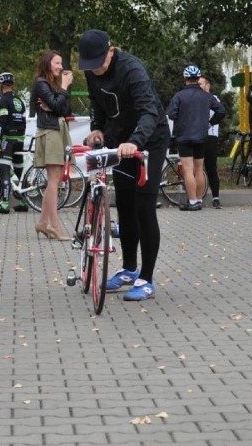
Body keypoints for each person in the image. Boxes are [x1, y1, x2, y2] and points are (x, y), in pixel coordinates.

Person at [78, 29, 170, 301]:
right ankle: (129, 269)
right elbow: (97, 103)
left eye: (100, 64)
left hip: (150, 139)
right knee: (125, 206)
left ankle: (146, 278)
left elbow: (149, 111)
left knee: (143, 206)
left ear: (111, 50)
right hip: (120, 141)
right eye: (90, 66)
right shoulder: (91, 69)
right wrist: (97, 129)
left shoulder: (133, 70)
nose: (95, 70)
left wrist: (136, 142)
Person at [166, 65, 225, 211]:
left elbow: (171, 114)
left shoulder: (179, 96)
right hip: (202, 136)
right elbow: (221, 111)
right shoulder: (207, 96)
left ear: (185, 79)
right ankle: (199, 199)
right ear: (198, 79)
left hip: (184, 137)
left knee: (188, 170)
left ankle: (192, 202)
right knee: (199, 170)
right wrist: (210, 123)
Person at [31, 50, 73, 238]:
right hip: (50, 133)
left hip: (55, 131)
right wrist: (63, 89)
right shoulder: (41, 84)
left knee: (54, 181)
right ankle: (54, 226)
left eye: (61, 63)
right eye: (57, 63)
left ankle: (42, 223)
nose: (61, 66)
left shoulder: (51, 85)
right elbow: (58, 107)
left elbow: (65, 109)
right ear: (48, 64)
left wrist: (58, 99)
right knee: (54, 180)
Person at [0, 72, 29, 214]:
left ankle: (5, 205)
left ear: (1, 86)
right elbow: (24, 121)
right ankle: (24, 202)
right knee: (19, 173)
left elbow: (2, 121)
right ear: (12, 85)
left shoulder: (3, 100)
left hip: (8, 140)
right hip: (20, 140)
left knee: (5, 169)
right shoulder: (20, 100)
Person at [198, 74, 223, 209]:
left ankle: (216, 197)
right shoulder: (195, 98)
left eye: (201, 84)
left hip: (210, 137)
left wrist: (208, 124)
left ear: (208, 85)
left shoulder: (214, 99)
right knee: (197, 168)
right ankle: (197, 198)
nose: (198, 86)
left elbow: (216, 114)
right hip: (196, 137)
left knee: (211, 168)